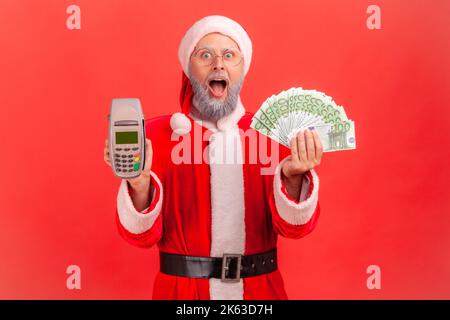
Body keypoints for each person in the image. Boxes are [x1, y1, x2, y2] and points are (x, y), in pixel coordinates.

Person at [103, 15, 323, 300]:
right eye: (205, 55)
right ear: (188, 68)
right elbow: (139, 237)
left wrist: (293, 178)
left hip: (259, 295)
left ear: (242, 68)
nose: (218, 64)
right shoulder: (155, 136)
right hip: (182, 296)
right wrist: (139, 184)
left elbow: (296, 229)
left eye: (229, 55)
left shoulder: (273, 134)